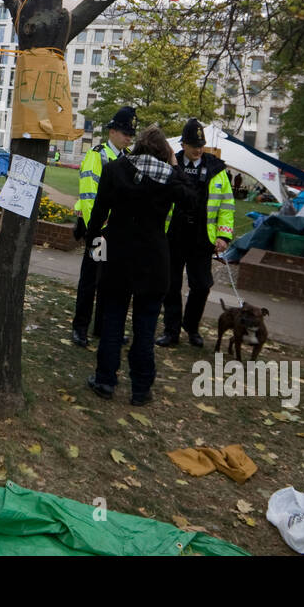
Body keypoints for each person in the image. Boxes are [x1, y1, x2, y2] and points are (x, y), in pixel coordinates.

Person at [83, 126, 193, 405]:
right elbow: (192, 200)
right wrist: (176, 166)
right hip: (153, 261)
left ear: (139, 146)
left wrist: (95, 252)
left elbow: (97, 216)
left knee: (112, 322)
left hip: (117, 257)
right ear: (164, 153)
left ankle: (106, 380)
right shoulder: (169, 177)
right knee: (145, 328)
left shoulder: (115, 170)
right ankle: (141, 388)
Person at [156, 118, 235, 348]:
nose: (198, 150)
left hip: (202, 237)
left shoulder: (216, 168)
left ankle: (190, 326)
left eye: (201, 145)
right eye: (193, 146)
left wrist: (224, 235)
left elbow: (227, 205)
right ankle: (171, 331)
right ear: (183, 145)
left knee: (201, 285)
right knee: (170, 285)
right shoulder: (171, 163)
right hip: (173, 235)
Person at [71, 106, 136, 348]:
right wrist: (96, 230)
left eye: (131, 133)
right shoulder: (97, 155)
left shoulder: (128, 158)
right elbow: (89, 196)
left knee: (109, 283)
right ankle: (80, 328)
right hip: (100, 232)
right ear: (112, 131)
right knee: (90, 281)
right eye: (124, 132)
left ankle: (101, 328)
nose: (128, 137)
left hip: (118, 234)